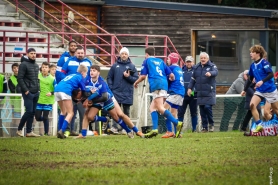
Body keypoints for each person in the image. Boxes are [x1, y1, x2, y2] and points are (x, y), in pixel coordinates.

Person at [76, 65, 144, 138]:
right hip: (96, 100)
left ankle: (136, 131)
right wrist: (84, 100)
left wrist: (89, 100)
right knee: (89, 116)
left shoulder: (101, 82)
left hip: (107, 99)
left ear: (98, 73)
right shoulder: (87, 80)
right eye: (91, 70)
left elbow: (104, 97)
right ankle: (85, 133)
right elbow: (84, 91)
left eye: (94, 70)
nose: (91, 72)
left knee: (119, 115)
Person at [134, 47, 183, 138]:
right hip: (164, 85)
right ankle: (155, 129)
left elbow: (143, 76)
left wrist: (136, 82)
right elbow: (171, 75)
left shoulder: (147, 61)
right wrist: (170, 79)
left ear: (146, 54)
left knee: (160, 108)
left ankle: (177, 123)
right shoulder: (161, 61)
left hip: (156, 84)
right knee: (152, 108)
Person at [241, 45, 278, 133]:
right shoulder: (252, 65)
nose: (250, 54)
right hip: (260, 90)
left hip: (270, 90)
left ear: (258, 53)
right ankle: (259, 124)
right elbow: (250, 79)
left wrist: (262, 81)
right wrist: (244, 90)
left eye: (252, 52)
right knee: (252, 105)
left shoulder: (264, 63)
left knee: (275, 110)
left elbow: (270, 74)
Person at [107, 47, 139, 134]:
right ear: (120, 55)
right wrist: (111, 87)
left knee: (126, 112)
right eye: (122, 54)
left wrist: (128, 77)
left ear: (128, 55)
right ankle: (114, 128)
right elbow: (109, 77)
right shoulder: (114, 66)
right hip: (116, 92)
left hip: (127, 92)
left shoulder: (132, 66)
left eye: (125, 54)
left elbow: (135, 79)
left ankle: (126, 128)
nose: (124, 55)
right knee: (115, 111)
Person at [62, 46, 92, 136]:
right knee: (71, 111)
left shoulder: (88, 62)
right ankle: (68, 130)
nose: (80, 55)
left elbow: (91, 75)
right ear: (75, 53)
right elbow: (62, 73)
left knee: (83, 111)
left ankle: (82, 131)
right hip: (71, 91)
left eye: (82, 53)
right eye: (78, 53)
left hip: (83, 91)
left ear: (84, 53)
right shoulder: (69, 61)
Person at [54, 64, 88, 139]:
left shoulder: (72, 75)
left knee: (63, 111)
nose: (86, 75)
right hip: (65, 90)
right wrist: (83, 99)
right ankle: (62, 130)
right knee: (71, 113)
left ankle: (59, 131)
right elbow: (83, 90)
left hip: (57, 90)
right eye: (86, 73)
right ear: (83, 72)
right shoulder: (80, 77)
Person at [187, 52, 218, 133]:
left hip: (209, 92)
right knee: (202, 111)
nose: (203, 59)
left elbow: (216, 72)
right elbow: (193, 79)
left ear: (207, 59)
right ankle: (205, 127)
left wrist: (210, 73)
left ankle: (211, 124)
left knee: (208, 107)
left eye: (204, 58)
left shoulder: (212, 66)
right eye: (201, 58)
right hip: (200, 92)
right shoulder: (196, 67)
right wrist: (189, 88)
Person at [16, 48, 40, 137]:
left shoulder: (36, 65)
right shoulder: (23, 65)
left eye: (34, 53)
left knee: (33, 112)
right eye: (31, 53)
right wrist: (26, 90)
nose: (33, 55)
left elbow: (36, 79)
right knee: (29, 111)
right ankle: (19, 129)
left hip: (36, 91)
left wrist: (38, 90)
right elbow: (20, 78)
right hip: (28, 92)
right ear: (27, 54)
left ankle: (29, 132)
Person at [161, 53, 185, 138]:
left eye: (168, 59)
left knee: (163, 110)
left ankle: (169, 131)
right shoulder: (179, 68)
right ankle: (178, 133)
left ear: (172, 60)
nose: (167, 60)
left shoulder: (170, 68)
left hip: (175, 92)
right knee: (173, 113)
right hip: (181, 93)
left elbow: (168, 79)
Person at [177, 56, 198, 133]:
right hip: (182, 96)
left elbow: (197, 83)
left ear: (193, 62)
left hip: (193, 96)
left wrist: (192, 92)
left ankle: (194, 129)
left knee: (194, 113)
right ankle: (179, 130)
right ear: (185, 63)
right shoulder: (181, 71)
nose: (189, 63)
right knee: (180, 114)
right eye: (187, 62)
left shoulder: (196, 71)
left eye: (190, 62)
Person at [35, 62, 56, 136]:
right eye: (43, 67)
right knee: (37, 117)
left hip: (48, 100)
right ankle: (46, 120)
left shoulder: (52, 79)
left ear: (49, 69)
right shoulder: (38, 76)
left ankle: (46, 133)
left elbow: (56, 89)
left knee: (45, 116)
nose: (44, 69)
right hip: (39, 100)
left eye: (46, 67)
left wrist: (51, 93)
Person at [8, 63, 21, 137]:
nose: (16, 69)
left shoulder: (23, 78)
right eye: (14, 68)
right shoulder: (11, 79)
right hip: (15, 102)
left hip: (23, 102)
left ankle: (19, 133)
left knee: (20, 118)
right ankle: (13, 134)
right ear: (12, 70)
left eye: (17, 68)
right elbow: (13, 90)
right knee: (15, 118)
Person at [0, 72, 7, 137]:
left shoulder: (2, 77)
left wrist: (1, 98)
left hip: (1, 101)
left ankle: (1, 135)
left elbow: (5, 89)